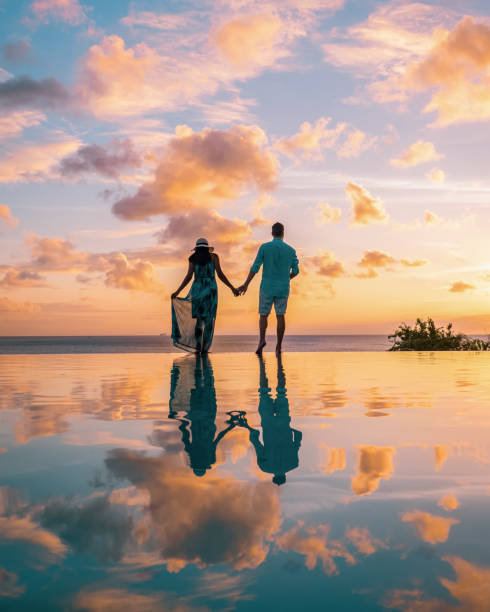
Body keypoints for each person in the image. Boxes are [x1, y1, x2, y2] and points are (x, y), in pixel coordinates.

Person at [237, 354, 302, 486]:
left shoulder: (293, 464)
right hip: (268, 423)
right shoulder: (265, 467)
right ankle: (262, 365)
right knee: (263, 392)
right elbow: (256, 441)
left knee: (282, 392)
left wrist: (288, 428)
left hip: (283, 421)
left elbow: (299, 436)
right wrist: (248, 428)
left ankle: (279, 364)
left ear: (284, 477)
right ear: (274, 477)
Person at [169, 354, 238, 476]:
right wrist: (178, 417)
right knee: (197, 385)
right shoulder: (191, 450)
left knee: (208, 384)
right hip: (195, 414)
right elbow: (184, 430)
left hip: (208, 414)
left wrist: (231, 425)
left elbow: (219, 437)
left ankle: (202, 361)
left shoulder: (208, 451)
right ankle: (199, 360)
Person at [238, 222, 299, 355]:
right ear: (283, 233)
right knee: (280, 315)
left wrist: (246, 284)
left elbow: (255, 267)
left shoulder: (265, 248)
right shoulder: (291, 250)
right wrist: (286, 278)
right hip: (283, 288)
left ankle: (262, 340)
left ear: (272, 233)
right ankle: (279, 346)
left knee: (263, 315)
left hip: (267, 287)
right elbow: (296, 270)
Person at [171, 238, 238, 353]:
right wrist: (232, 287)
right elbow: (220, 274)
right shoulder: (214, 257)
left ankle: (198, 347)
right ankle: (205, 348)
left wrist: (178, 291)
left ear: (196, 248)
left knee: (199, 320)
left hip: (197, 289)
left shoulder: (193, 258)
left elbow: (188, 277)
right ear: (207, 248)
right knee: (209, 320)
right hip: (211, 290)